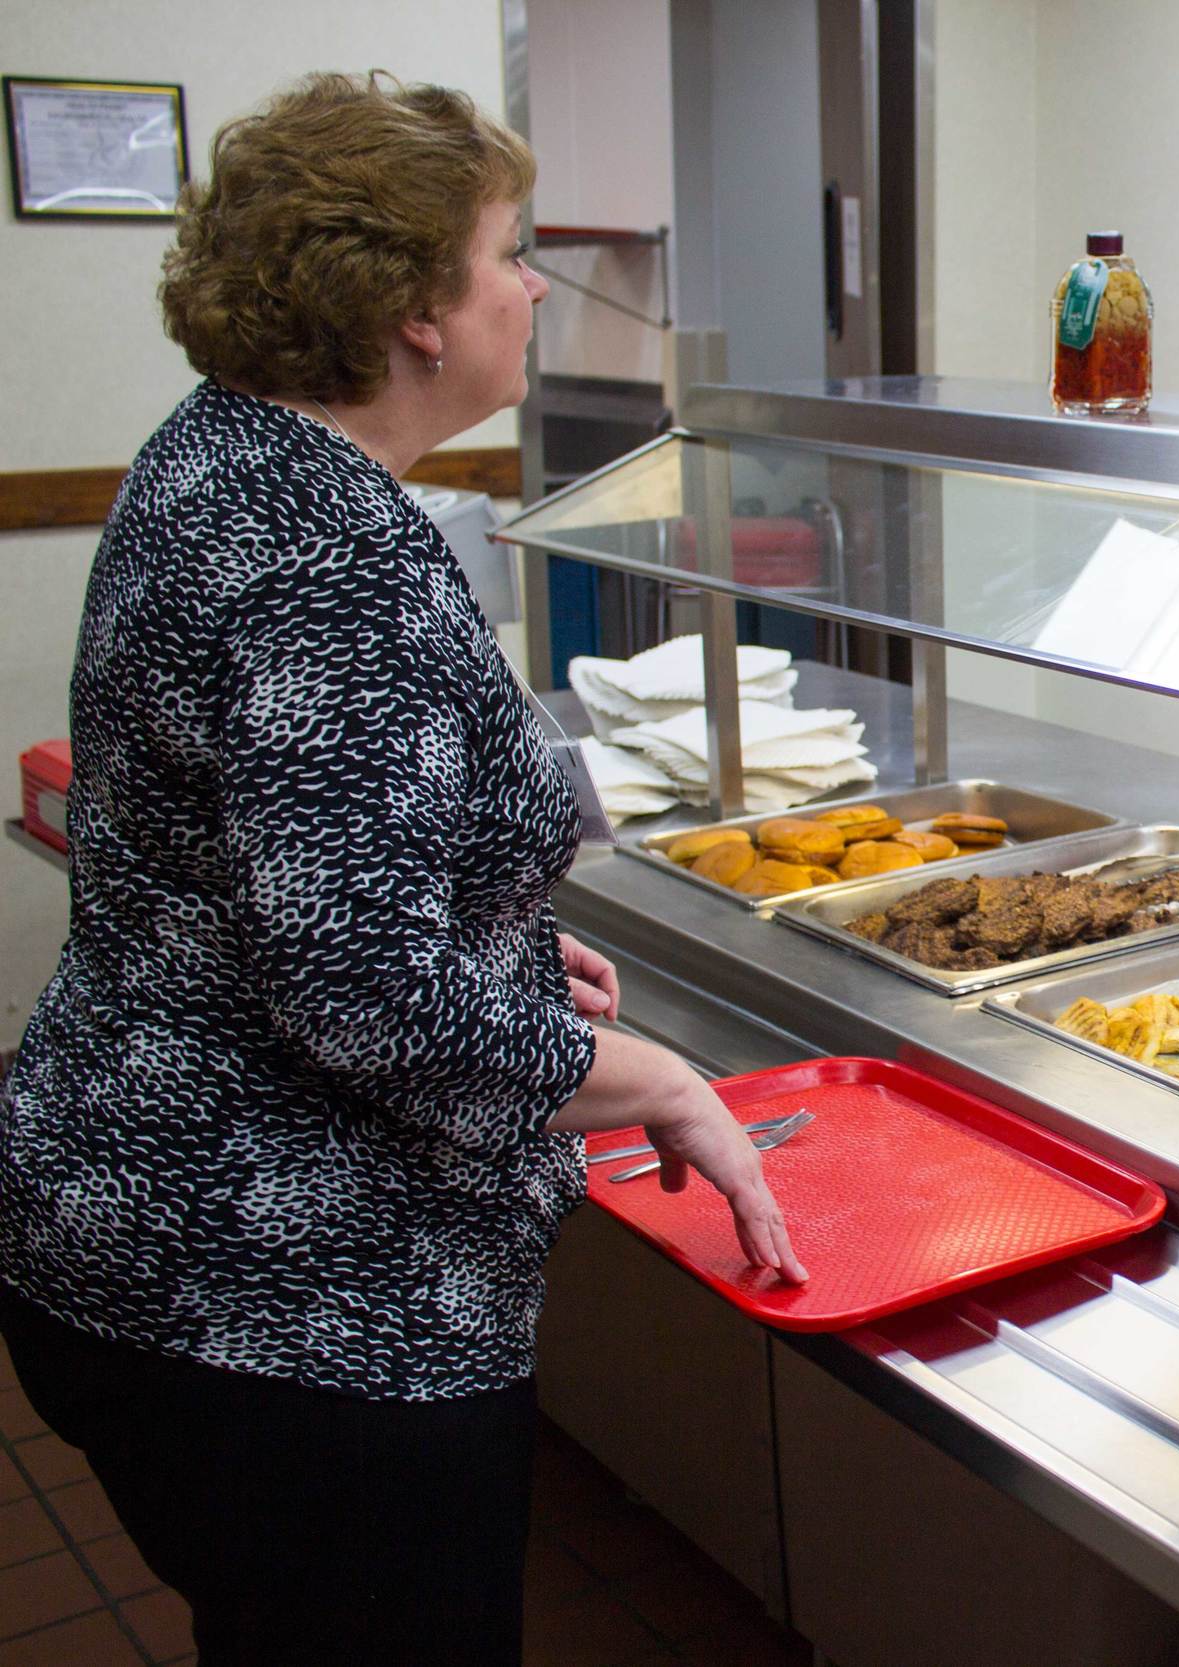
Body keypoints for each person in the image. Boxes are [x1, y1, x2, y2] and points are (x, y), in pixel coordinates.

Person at [0, 74, 805, 1665]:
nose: (531, 285)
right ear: (412, 307)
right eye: (509, 250)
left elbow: (286, 868)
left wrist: (494, 943)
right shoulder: (326, 556)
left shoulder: (224, 454)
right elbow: (367, 997)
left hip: (133, 1222)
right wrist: (663, 1082)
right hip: (288, 1302)